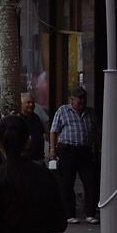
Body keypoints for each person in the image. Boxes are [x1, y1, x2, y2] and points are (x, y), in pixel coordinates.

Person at [48, 86, 99, 224]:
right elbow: (54, 131)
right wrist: (53, 149)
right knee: (67, 182)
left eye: (83, 98)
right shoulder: (63, 111)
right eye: (79, 99)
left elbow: (96, 132)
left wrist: (96, 148)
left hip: (85, 150)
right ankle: (69, 214)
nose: (81, 101)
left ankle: (90, 213)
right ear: (72, 99)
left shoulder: (91, 113)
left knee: (90, 181)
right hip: (67, 150)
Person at [20, 92, 47, 163]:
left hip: (39, 158)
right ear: (22, 103)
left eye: (33, 103)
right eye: (28, 102)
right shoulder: (18, 119)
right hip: (24, 161)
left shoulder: (36, 118)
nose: (31, 105)